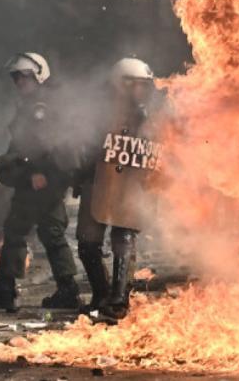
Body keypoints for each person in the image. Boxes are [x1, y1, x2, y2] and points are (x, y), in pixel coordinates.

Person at [0, 52, 81, 312]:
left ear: (39, 76)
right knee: (37, 231)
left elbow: (54, 146)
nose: (19, 83)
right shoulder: (34, 105)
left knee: (30, 231)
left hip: (42, 180)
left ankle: (12, 290)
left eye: (24, 77)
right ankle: (60, 290)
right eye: (16, 78)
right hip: (39, 180)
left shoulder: (43, 108)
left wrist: (40, 173)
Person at [76, 57, 167, 320]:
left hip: (130, 186)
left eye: (143, 86)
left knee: (123, 237)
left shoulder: (152, 119)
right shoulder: (101, 115)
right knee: (87, 242)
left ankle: (118, 299)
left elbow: (159, 154)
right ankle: (101, 294)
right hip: (99, 184)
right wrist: (80, 176)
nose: (140, 91)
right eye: (134, 85)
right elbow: (86, 147)